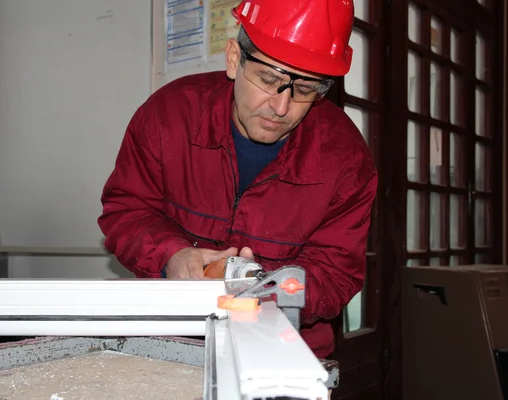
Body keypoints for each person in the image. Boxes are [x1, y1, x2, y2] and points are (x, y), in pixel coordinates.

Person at [98, 0, 378, 359]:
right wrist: (171, 255)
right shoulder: (169, 116)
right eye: (269, 79)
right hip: (169, 343)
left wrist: (269, 290)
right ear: (233, 58)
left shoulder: (346, 157)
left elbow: (338, 272)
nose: (281, 107)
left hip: (283, 353)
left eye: (305, 89)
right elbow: (125, 211)